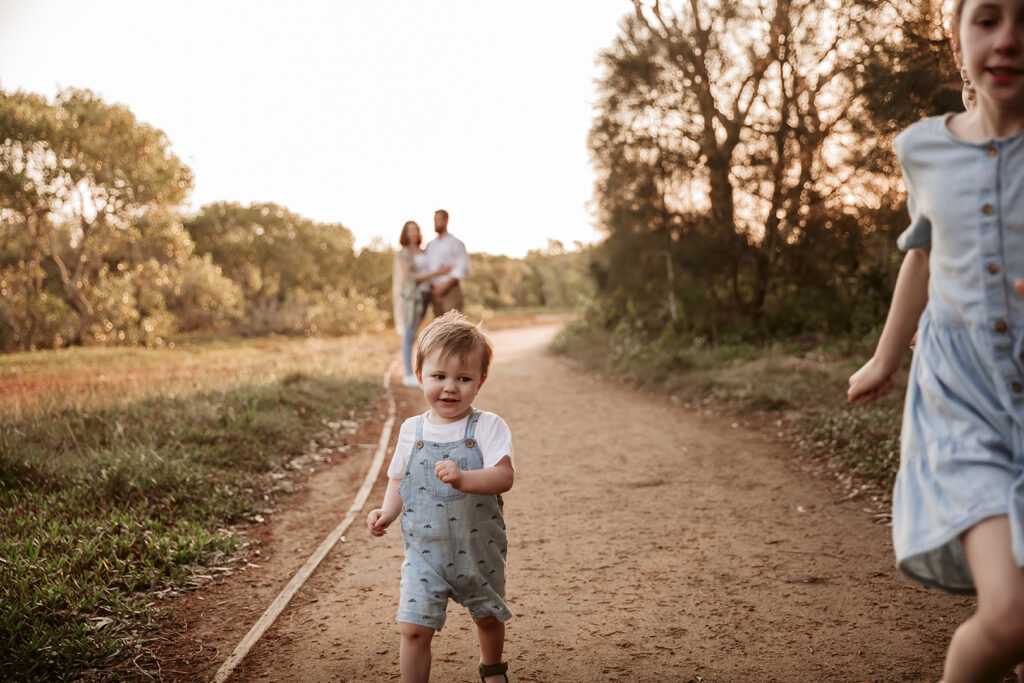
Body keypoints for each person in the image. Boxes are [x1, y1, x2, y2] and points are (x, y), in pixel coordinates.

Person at [847, 1, 1024, 680]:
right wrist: (886, 356)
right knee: (1010, 615)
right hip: (964, 407)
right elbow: (921, 256)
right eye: (988, 19)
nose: (1008, 39)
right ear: (957, 45)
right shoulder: (922, 148)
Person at [367, 310, 515, 683]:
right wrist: (387, 512)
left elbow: (503, 476)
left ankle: (492, 668)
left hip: (478, 548)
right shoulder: (410, 430)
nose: (450, 387)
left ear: (480, 381)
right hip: (424, 554)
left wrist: (466, 479)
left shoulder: (487, 426)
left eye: (463, 378)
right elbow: (399, 477)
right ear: (419, 377)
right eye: (439, 376)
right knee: (413, 629)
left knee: (488, 616)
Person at [394, 221, 451, 387]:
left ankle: (425, 371)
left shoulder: (424, 251)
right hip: (413, 299)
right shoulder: (404, 254)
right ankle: (408, 373)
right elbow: (409, 278)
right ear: (405, 233)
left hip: (427, 295)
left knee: (423, 333)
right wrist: (436, 272)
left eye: (415, 230)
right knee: (409, 334)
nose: (413, 233)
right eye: (410, 230)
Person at [424, 209, 469, 316]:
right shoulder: (430, 245)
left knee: (453, 326)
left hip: (451, 290)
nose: (435, 223)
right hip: (434, 292)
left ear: (446, 221)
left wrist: (445, 285)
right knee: (439, 329)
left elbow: (462, 267)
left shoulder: (455, 243)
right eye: (434, 220)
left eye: (438, 220)